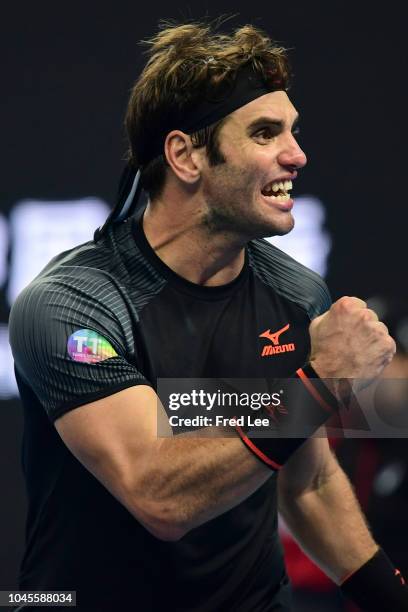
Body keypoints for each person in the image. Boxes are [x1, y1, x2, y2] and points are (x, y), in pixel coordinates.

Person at [8, 20, 407, 612]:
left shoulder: (298, 294)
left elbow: (309, 482)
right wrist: (318, 384)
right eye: (266, 133)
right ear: (185, 155)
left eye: (293, 132)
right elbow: (159, 497)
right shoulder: (73, 304)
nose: (297, 155)